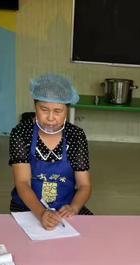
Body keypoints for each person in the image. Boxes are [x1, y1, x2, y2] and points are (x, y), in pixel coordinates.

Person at [9, 74, 92, 229]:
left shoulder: (76, 135)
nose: (51, 118)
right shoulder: (21, 133)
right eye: (44, 109)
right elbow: (22, 183)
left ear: (67, 109)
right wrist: (41, 213)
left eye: (58, 111)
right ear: (35, 106)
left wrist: (74, 207)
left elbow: (84, 185)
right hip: (28, 207)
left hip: (65, 207)